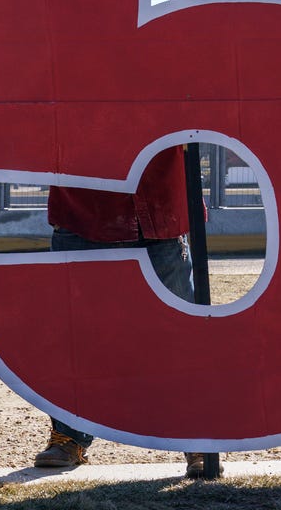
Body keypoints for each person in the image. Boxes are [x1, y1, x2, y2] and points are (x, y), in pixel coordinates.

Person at [31, 149, 222, 478]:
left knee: (183, 337)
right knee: (75, 336)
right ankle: (69, 436)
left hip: (159, 205)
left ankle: (197, 435)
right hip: (83, 207)